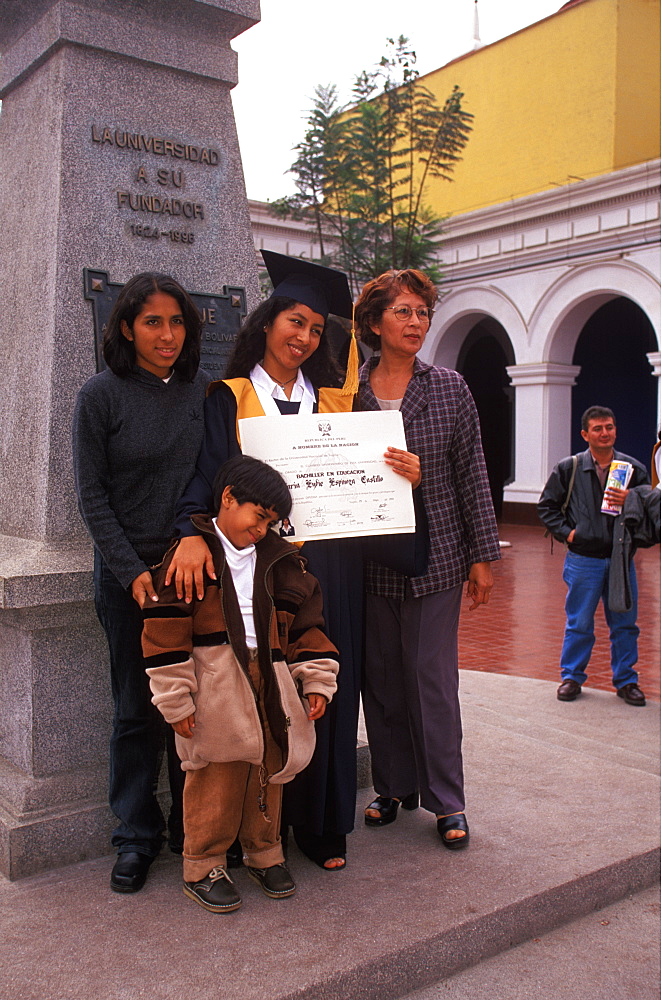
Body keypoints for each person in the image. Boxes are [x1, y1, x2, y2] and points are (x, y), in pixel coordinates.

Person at [166, 251, 362, 871]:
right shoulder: (228, 397)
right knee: (243, 696)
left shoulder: (336, 403)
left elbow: (362, 477)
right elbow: (207, 479)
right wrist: (190, 533)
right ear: (268, 321)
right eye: (294, 322)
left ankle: (319, 828)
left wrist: (397, 470)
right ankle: (225, 837)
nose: (303, 338)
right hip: (253, 570)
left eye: (314, 329)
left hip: (325, 564)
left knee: (316, 685)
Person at [142, 455, 338, 912]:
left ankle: (265, 852)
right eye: (259, 516)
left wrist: (315, 680)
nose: (262, 529)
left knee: (270, 770)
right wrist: (176, 698)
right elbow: (164, 630)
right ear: (228, 498)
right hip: (214, 681)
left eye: (271, 522)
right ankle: (203, 864)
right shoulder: (191, 555)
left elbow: (309, 627)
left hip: (271, 677)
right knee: (213, 774)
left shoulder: (285, 564)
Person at [72, 272, 210, 892]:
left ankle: (193, 831)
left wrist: (192, 535)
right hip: (126, 579)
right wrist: (130, 573)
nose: (167, 335)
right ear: (126, 327)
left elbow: (210, 479)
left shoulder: (202, 394)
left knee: (194, 709)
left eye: (177, 321)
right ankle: (134, 837)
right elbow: (91, 495)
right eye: (153, 322)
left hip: (189, 573)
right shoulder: (99, 396)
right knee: (136, 711)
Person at [354, 268, 501, 849]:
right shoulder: (347, 390)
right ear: (373, 322)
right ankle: (392, 786)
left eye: (423, 312)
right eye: (404, 312)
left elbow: (472, 472)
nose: (416, 322)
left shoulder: (450, 387)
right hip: (370, 560)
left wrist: (482, 556)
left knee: (431, 681)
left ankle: (447, 800)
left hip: (438, 558)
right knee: (382, 680)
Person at [537, 406, 649, 705]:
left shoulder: (633, 469)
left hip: (621, 560)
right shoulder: (568, 468)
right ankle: (572, 677)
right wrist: (569, 534)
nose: (605, 433)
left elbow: (650, 512)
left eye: (609, 427)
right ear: (585, 434)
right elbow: (546, 507)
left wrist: (633, 498)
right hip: (583, 559)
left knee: (625, 623)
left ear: (615, 430)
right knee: (580, 622)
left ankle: (627, 681)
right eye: (598, 428)